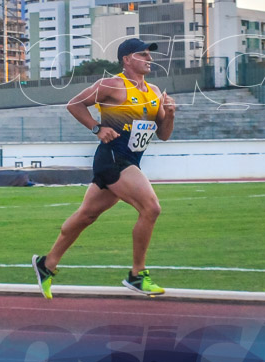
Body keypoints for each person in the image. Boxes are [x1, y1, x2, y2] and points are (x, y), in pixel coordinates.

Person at [31, 38, 176, 298]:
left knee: (86, 215)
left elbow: (164, 134)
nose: (149, 59)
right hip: (112, 158)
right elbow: (74, 104)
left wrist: (171, 114)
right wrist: (97, 128)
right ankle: (137, 275)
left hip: (131, 161)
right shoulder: (111, 85)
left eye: (149, 55)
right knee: (151, 208)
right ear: (127, 59)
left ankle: (46, 264)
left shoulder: (155, 91)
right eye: (143, 54)